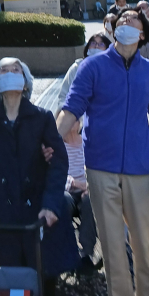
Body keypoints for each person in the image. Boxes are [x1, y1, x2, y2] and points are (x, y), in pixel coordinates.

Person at [56, 6, 149, 296]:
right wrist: (50, 142)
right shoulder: (92, 66)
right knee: (113, 247)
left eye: (133, 20)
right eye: (121, 19)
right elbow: (72, 107)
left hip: (140, 167)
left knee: (145, 245)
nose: (125, 21)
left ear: (142, 35)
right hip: (100, 166)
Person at [0, 57, 79, 296]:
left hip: (36, 214)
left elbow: (58, 163)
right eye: (3, 70)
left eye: (16, 70)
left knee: (42, 282)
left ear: (25, 83)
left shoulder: (42, 118)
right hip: (0, 214)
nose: (9, 73)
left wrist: (51, 205)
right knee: (6, 284)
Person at [63, 117, 100, 276]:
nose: (74, 121)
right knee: (63, 201)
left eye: (76, 119)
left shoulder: (86, 142)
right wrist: (77, 184)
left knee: (90, 202)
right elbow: (56, 173)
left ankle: (86, 253)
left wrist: (90, 187)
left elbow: (95, 167)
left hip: (86, 189)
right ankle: (68, 250)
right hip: (67, 190)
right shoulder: (58, 145)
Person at [57, 33, 111, 113]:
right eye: (93, 43)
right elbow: (63, 96)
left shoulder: (112, 70)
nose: (96, 46)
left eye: (101, 44)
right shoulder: (76, 68)